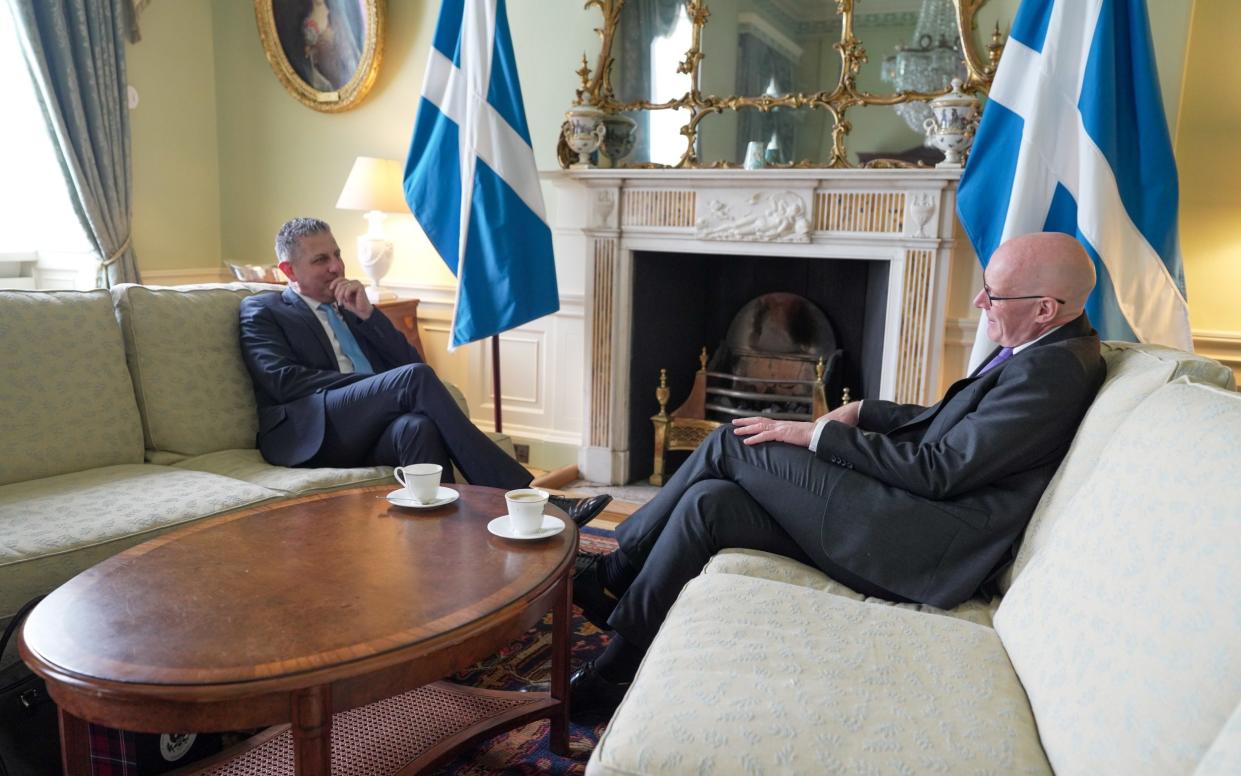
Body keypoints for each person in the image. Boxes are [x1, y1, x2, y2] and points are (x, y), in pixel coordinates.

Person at [569, 232, 1107, 716]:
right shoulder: (1046, 349)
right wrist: (865, 410)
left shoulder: (1052, 371)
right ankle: (617, 668)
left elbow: (943, 469)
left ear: (1044, 308)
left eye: (993, 293)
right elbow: (950, 431)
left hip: (917, 542)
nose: (978, 302)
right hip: (907, 515)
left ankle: (612, 573)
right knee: (708, 502)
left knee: (731, 442)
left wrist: (820, 434)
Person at [238, 217, 610, 525]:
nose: (337, 266)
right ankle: (532, 500)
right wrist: (374, 388)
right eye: (321, 260)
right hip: (311, 432)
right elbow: (282, 381)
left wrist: (369, 316)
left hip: (368, 430)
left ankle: (451, 544)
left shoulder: (351, 306)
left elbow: (410, 364)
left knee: (418, 428)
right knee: (410, 381)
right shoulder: (264, 310)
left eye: (337, 254)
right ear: (289, 269)